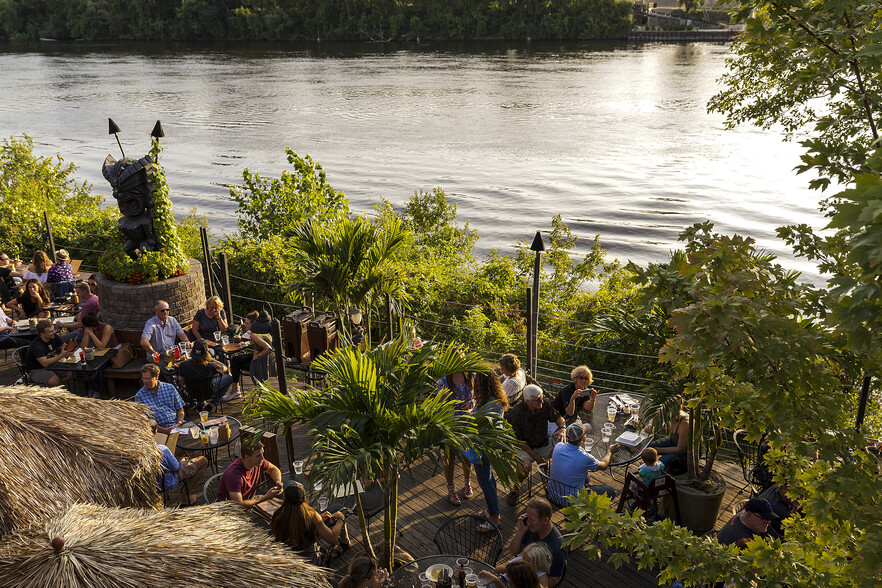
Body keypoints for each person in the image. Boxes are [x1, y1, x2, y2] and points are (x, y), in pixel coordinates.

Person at [504, 384, 566, 506]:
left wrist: (563, 428)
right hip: (523, 447)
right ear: (527, 401)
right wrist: (536, 457)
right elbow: (518, 441)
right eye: (538, 399)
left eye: (542, 397)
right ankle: (515, 489)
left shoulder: (544, 405)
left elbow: (558, 417)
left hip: (542, 443)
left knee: (563, 446)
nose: (541, 401)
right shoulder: (516, 413)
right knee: (525, 466)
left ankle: (553, 480)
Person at [271, 480, 352, 559]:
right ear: (304, 497)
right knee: (341, 512)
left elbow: (296, 528)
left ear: (285, 498)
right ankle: (345, 543)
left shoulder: (278, 514)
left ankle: (345, 543)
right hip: (310, 558)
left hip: (288, 556)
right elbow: (332, 539)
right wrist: (341, 518)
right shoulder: (311, 515)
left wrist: (319, 518)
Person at [470, 369, 509, 531]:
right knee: (488, 479)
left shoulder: (492, 403)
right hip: (483, 445)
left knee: (486, 482)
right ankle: (490, 510)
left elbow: (486, 426)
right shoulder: (490, 399)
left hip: (485, 446)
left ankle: (494, 518)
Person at [548, 423, 619, 502]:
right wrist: (610, 451)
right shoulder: (585, 457)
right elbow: (604, 465)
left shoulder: (558, 446)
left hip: (553, 494)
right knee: (610, 491)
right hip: (572, 502)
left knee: (584, 475)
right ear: (583, 440)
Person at [506, 498, 566, 587]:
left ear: (545, 520)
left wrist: (527, 580)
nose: (528, 522)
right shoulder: (532, 529)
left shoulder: (557, 548)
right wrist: (520, 532)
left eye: (531, 519)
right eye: (527, 517)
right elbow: (513, 551)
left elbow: (554, 580)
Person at [438, 370, 475, 506]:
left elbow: (479, 397)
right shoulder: (443, 381)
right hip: (450, 424)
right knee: (449, 456)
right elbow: (435, 405)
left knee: (466, 454)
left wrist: (471, 404)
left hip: (467, 421)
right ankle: (451, 488)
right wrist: (442, 398)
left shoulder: (471, 376)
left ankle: (467, 483)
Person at [151, 419, 208, 505]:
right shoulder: (162, 449)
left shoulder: (132, 450)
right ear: (156, 433)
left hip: (150, 484)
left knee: (180, 453)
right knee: (203, 461)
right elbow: (177, 468)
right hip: (166, 481)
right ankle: (183, 498)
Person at [222, 311, 272, 402]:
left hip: (261, 362)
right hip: (263, 358)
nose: (244, 324)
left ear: (254, 324)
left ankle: (235, 390)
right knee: (236, 359)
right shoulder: (261, 331)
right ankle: (235, 390)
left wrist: (257, 356)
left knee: (236, 363)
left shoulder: (254, 335)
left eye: (247, 323)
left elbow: (268, 348)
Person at [216, 441, 283, 506]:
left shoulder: (258, 462)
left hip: (249, 499)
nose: (262, 458)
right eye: (258, 455)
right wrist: (266, 497)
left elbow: (273, 469)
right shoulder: (234, 476)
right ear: (247, 456)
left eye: (262, 453)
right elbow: (239, 505)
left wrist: (278, 481)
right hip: (230, 509)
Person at [178, 338, 233, 412]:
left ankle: (199, 402)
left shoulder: (183, 365)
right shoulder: (211, 366)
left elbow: (180, 379)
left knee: (196, 383)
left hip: (192, 392)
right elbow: (224, 368)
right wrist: (210, 359)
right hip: (209, 391)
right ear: (207, 351)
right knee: (229, 378)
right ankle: (213, 403)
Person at [134, 363, 185, 434]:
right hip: (158, 431)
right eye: (143, 378)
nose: (145, 381)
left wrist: (179, 423)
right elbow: (146, 422)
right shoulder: (140, 396)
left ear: (156, 377)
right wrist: (165, 431)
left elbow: (180, 409)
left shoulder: (169, 388)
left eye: (148, 379)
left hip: (177, 426)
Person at [24, 319, 75, 387]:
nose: (54, 332)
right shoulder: (37, 345)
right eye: (51, 331)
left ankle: (56, 388)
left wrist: (72, 345)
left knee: (70, 373)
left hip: (51, 364)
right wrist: (61, 355)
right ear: (42, 334)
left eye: (53, 330)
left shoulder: (53, 337)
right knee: (54, 380)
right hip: (36, 369)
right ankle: (54, 389)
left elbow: (63, 346)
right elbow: (45, 363)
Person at [79, 312, 118, 397]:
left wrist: (92, 334)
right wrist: (86, 335)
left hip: (110, 353)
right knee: (84, 367)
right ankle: (89, 389)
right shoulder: (89, 330)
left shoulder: (106, 328)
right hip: (98, 354)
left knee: (98, 369)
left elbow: (101, 346)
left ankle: (97, 391)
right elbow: (83, 347)